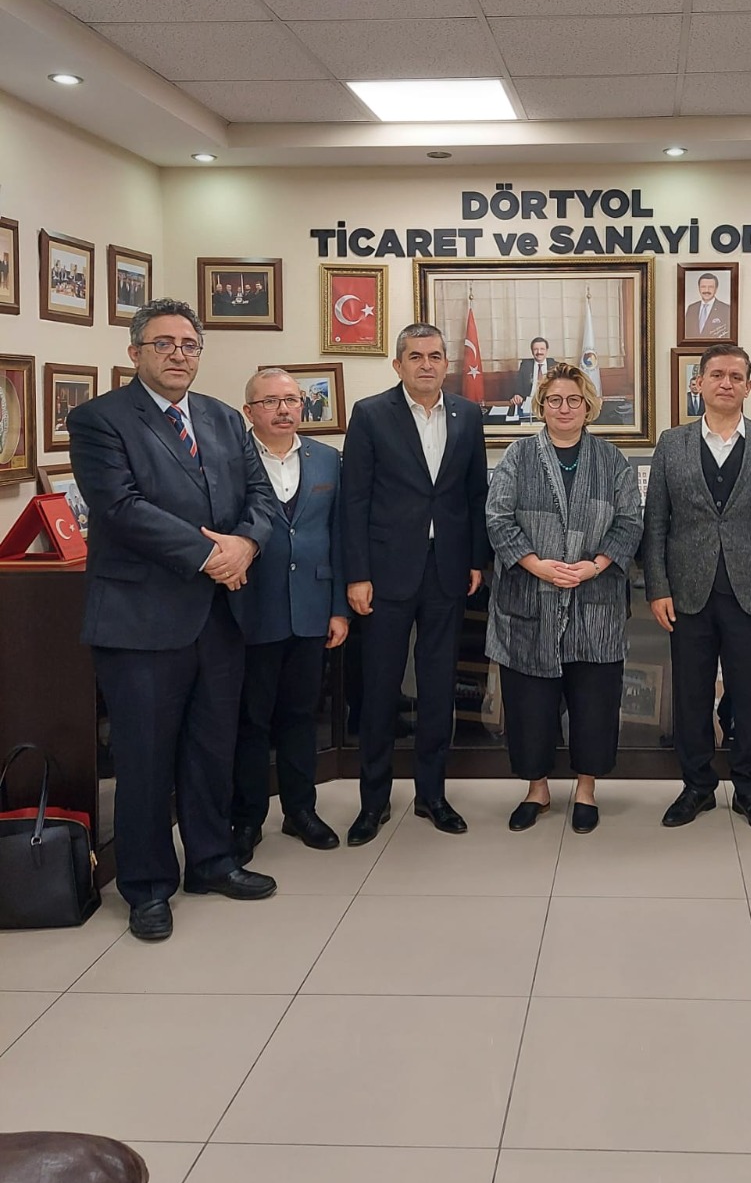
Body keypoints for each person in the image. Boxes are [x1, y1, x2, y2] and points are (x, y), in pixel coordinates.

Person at [66, 299, 278, 942]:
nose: (179, 354)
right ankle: (148, 887)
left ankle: (211, 862)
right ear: (135, 352)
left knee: (212, 748)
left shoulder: (222, 417)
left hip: (219, 616)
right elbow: (120, 507)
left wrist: (247, 544)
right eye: (164, 343)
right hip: (141, 619)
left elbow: (261, 496)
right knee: (146, 758)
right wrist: (213, 555)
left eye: (189, 344)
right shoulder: (99, 419)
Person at [643, 342, 751, 836]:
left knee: (750, 694)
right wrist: (657, 587)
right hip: (687, 592)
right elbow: (656, 524)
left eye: (736, 376)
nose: (726, 383)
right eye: (716, 374)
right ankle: (697, 786)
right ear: (699, 383)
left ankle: (750, 789)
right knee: (691, 695)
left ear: (749, 386)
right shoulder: (672, 443)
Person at [341, 322, 488, 843]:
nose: (427, 364)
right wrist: (357, 573)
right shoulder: (370, 414)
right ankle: (373, 801)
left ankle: (432, 795)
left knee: (438, 686)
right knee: (380, 688)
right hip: (384, 573)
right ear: (398, 364)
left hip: (447, 569)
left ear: (447, 363)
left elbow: (475, 493)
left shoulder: (468, 414)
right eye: (416, 356)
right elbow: (354, 499)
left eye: (435, 356)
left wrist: (476, 560)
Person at [486, 363, 642, 834]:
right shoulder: (518, 456)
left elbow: (629, 522)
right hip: (529, 599)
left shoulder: (612, 460)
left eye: (574, 400)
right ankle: (536, 789)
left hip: (596, 599)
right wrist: (536, 564)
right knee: (529, 704)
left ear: (588, 406)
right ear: (541, 406)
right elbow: (498, 518)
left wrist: (595, 565)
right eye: (554, 400)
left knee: (594, 703)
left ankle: (586, 789)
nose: (564, 408)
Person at [229, 368, 349, 861]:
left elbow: (340, 536)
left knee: (302, 716)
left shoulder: (327, 459)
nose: (283, 409)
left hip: (312, 608)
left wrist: (338, 609)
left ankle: (301, 810)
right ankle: (247, 818)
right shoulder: (230, 459)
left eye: (292, 400)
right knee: (251, 720)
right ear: (249, 411)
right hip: (251, 608)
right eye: (270, 401)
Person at [684, 272, 732, 340]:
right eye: (703, 287)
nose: (707, 290)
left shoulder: (726, 309)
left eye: (711, 287)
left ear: (716, 289)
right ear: (699, 288)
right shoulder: (691, 308)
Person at [512, 336, 552, 414]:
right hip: (529, 402)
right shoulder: (525, 366)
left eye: (542, 349)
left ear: (547, 350)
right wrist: (517, 395)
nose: (539, 352)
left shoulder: (554, 366)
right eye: (535, 349)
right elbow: (519, 387)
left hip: (548, 401)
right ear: (532, 351)